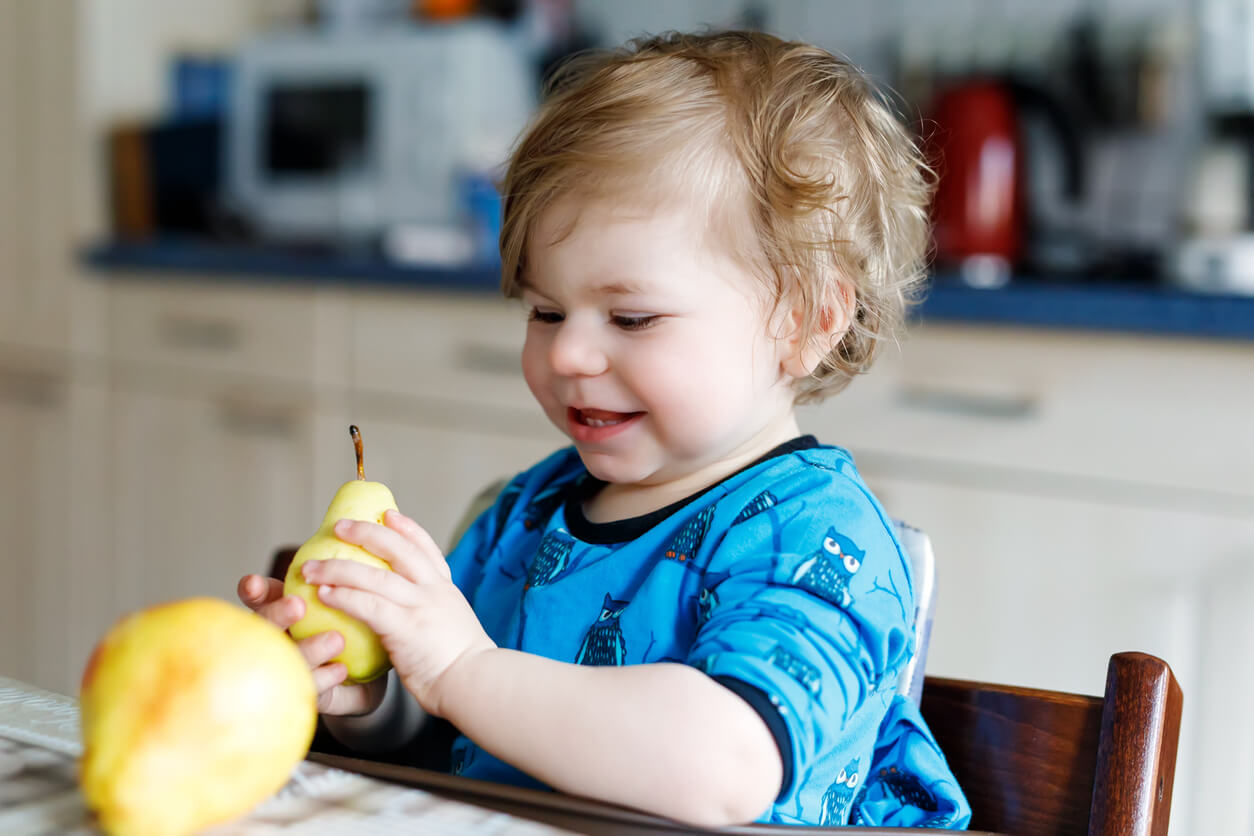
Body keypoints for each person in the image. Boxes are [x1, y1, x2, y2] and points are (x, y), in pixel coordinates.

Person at [237, 30, 970, 828]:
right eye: (546, 310)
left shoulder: (820, 539)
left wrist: (461, 666)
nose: (571, 352)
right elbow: (451, 735)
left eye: (631, 317)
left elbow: (722, 766)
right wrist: (372, 698)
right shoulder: (523, 512)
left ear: (805, 320)